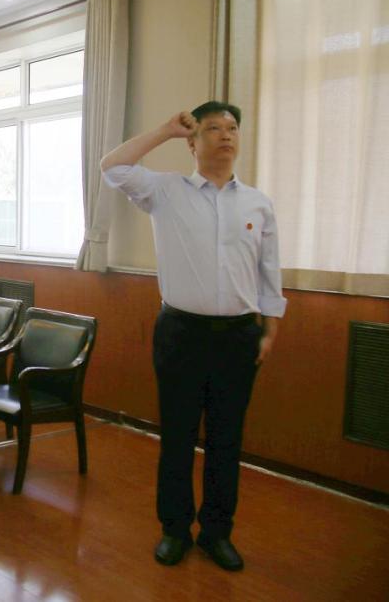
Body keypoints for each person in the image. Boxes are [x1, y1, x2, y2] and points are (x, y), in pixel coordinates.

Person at [100, 101, 286, 572]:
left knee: (227, 440)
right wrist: (164, 130)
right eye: (213, 128)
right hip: (181, 333)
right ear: (193, 141)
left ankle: (217, 533)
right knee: (178, 437)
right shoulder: (166, 191)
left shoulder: (257, 203)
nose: (226, 135)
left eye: (232, 128)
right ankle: (175, 530)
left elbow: (269, 272)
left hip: (239, 336)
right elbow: (113, 167)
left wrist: (269, 330)